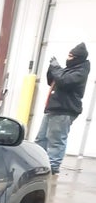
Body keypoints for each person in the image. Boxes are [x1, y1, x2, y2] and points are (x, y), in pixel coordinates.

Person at [35, 43, 90, 175]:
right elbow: (52, 81)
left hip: (64, 110)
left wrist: (56, 67)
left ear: (78, 58)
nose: (68, 58)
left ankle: (53, 166)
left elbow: (64, 81)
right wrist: (51, 69)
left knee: (56, 140)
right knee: (41, 138)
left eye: (70, 56)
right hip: (53, 108)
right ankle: (38, 162)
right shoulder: (69, 69)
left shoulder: (80, 72)